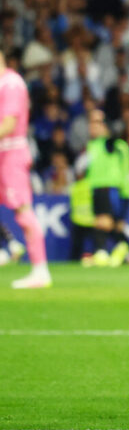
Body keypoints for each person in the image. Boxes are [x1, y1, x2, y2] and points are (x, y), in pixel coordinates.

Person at [0, 49, 51, 289]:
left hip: (11, 153)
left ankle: (40, 271)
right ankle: (8, 247)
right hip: (2, 152)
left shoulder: (11, 84)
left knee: (23, 211)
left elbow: (8, 124)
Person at [75, 109, 129, 268]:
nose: (91, 126)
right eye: (91, 122)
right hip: (96, 188)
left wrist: (127, 196)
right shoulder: (92, 145)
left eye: (96, 122)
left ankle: (102, 253)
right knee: (108, 224)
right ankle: (125, 251)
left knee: (104, 222)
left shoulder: (114, 144)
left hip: (110, 189)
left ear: (105, 125)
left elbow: (127, 173)